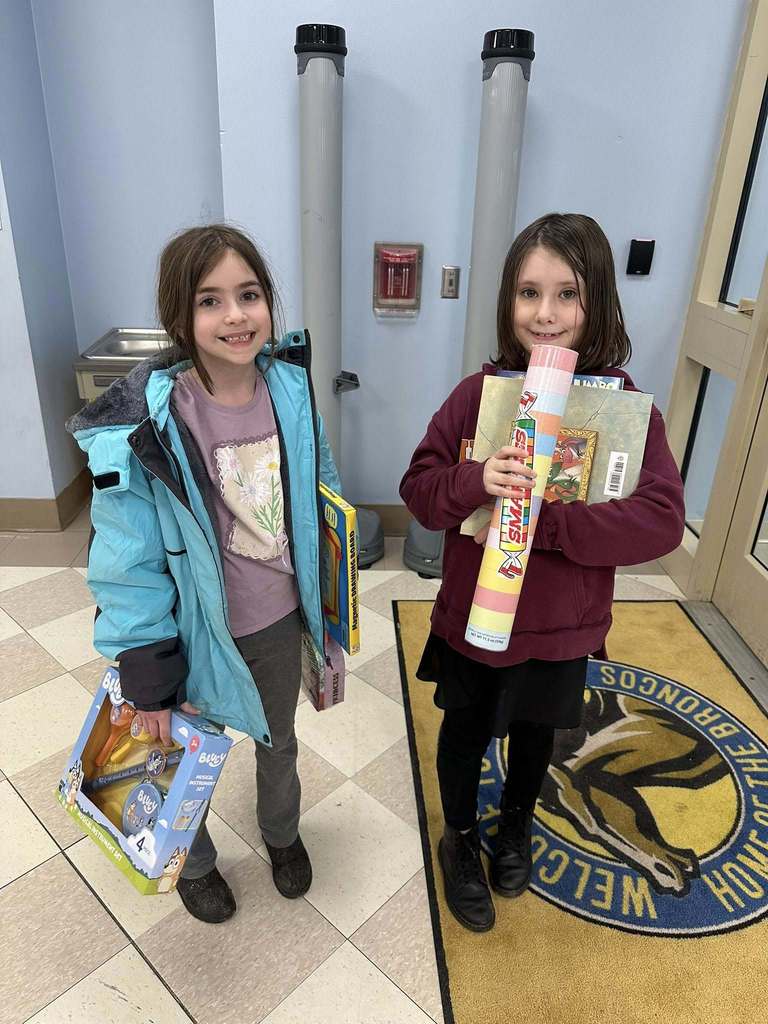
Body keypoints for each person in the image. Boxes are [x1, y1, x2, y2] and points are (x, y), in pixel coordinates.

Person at [399, 212, 685, 932]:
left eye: (567, 294)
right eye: (529, 293)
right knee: (464, 732)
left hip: (560, 627)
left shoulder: (625, 411)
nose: (546, 314)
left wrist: (545, 522)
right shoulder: (479, 393)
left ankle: (515, 827)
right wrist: (476, 480)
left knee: (534, 736)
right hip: (475, 618)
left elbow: (659, 519)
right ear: (508, 303)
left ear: (597, 306)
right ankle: (459, 837)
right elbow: (419, 489)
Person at [67, 224, 341, 923]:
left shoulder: (290, 389)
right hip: (195, 636)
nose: (235, 316)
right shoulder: (147, 424)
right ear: (180, 319)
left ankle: (282, 836)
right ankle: (196, 861)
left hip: (277, 624)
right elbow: (126, 560)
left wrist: (331, 605)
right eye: (210, 301)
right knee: (185, 758)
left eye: (248, 295)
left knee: (278, 742)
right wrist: (150, 670)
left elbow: (321, 494)